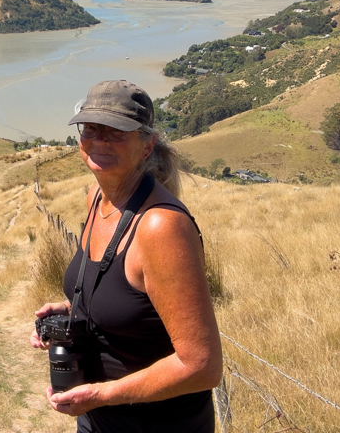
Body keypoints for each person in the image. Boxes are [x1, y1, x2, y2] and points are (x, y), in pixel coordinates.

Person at [30, 80, 222, 432]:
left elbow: (201, 366)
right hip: (99, 419)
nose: (100, 139)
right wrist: (74, 312)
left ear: (147, 145)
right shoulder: (97, 199)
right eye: (90, 128)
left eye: (117, 131)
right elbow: (132, 304)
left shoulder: (161, 227)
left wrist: (103, 395)